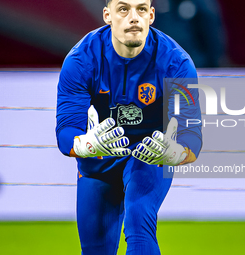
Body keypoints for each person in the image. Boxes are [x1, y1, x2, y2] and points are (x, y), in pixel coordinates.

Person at [55, 0, 202, 254]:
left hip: (151, 155)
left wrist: (176, 152)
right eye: (123, 9)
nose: (133, 17)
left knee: (139, 221)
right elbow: (66, 131)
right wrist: (85, 144)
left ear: (151, 15)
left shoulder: (176, 63)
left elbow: (192, 137)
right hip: (98, 158)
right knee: (95, 249)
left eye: (141, 9)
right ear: (107, 15)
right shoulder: (81, 60)